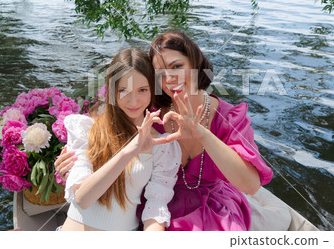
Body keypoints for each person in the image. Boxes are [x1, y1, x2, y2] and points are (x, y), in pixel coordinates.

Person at [56, 31, 274, 230]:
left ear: (196, 64)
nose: (170, 79)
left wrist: (202, 133)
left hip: (214, 206)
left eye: (177, 66)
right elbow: (108, 131)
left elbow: (251, 185)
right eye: (160, 74)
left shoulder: (228, 117)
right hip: (161, 203)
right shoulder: (150, 115)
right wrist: (73, 161)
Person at [58, 48, 181, 231]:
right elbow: (82, 199)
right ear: (112, 91)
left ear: (152, 90)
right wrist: (131, 149)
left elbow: (155, 211)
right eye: (124, 90)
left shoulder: (162, 145)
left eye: (142, 90)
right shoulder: (86, 130)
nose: (133, 101)